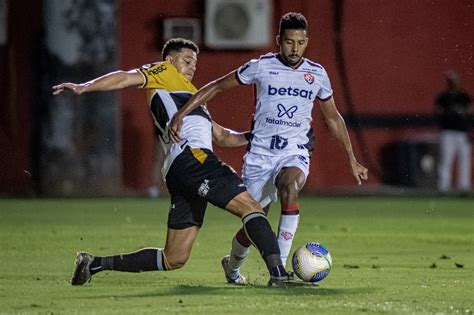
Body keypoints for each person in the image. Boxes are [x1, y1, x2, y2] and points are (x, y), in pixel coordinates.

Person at [52, 38, 293, 287]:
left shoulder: (191, 97)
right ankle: (279, 275)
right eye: (187, 61)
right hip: (194, 159)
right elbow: (125, 77)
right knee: (251, 208)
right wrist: (84, 87)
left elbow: (222, 136)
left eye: (195, 63)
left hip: (181, 168)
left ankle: (94, 263)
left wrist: (252, 136)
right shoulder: (164, 72)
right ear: (169, 60)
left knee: (174, 257)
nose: (192, 67)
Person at [169, 13, 368, 284]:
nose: (295, 48)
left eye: (300, 42)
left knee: (290, 186)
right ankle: (233, 266)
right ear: (278, 41)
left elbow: (333, 117)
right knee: (254, 223)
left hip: (294, 151)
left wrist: (352, 158)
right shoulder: (260, 66)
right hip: (260, 156)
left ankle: (279, 271)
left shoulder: (317, 74)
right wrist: (182, 113)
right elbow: (217, 86)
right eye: (289, 42)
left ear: (307, 42)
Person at [435, 70, 472, 192]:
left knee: (464, 160)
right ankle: (443, 187)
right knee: (446, 159)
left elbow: (471, 111)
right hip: (447, 132)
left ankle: (464, 187)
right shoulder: (443, 97)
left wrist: (462, 112)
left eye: (454, 81)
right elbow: (437, 112)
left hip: (463, 132)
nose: (453, 83)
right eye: (450, 81)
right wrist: (450, 111)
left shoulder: (464, 96)